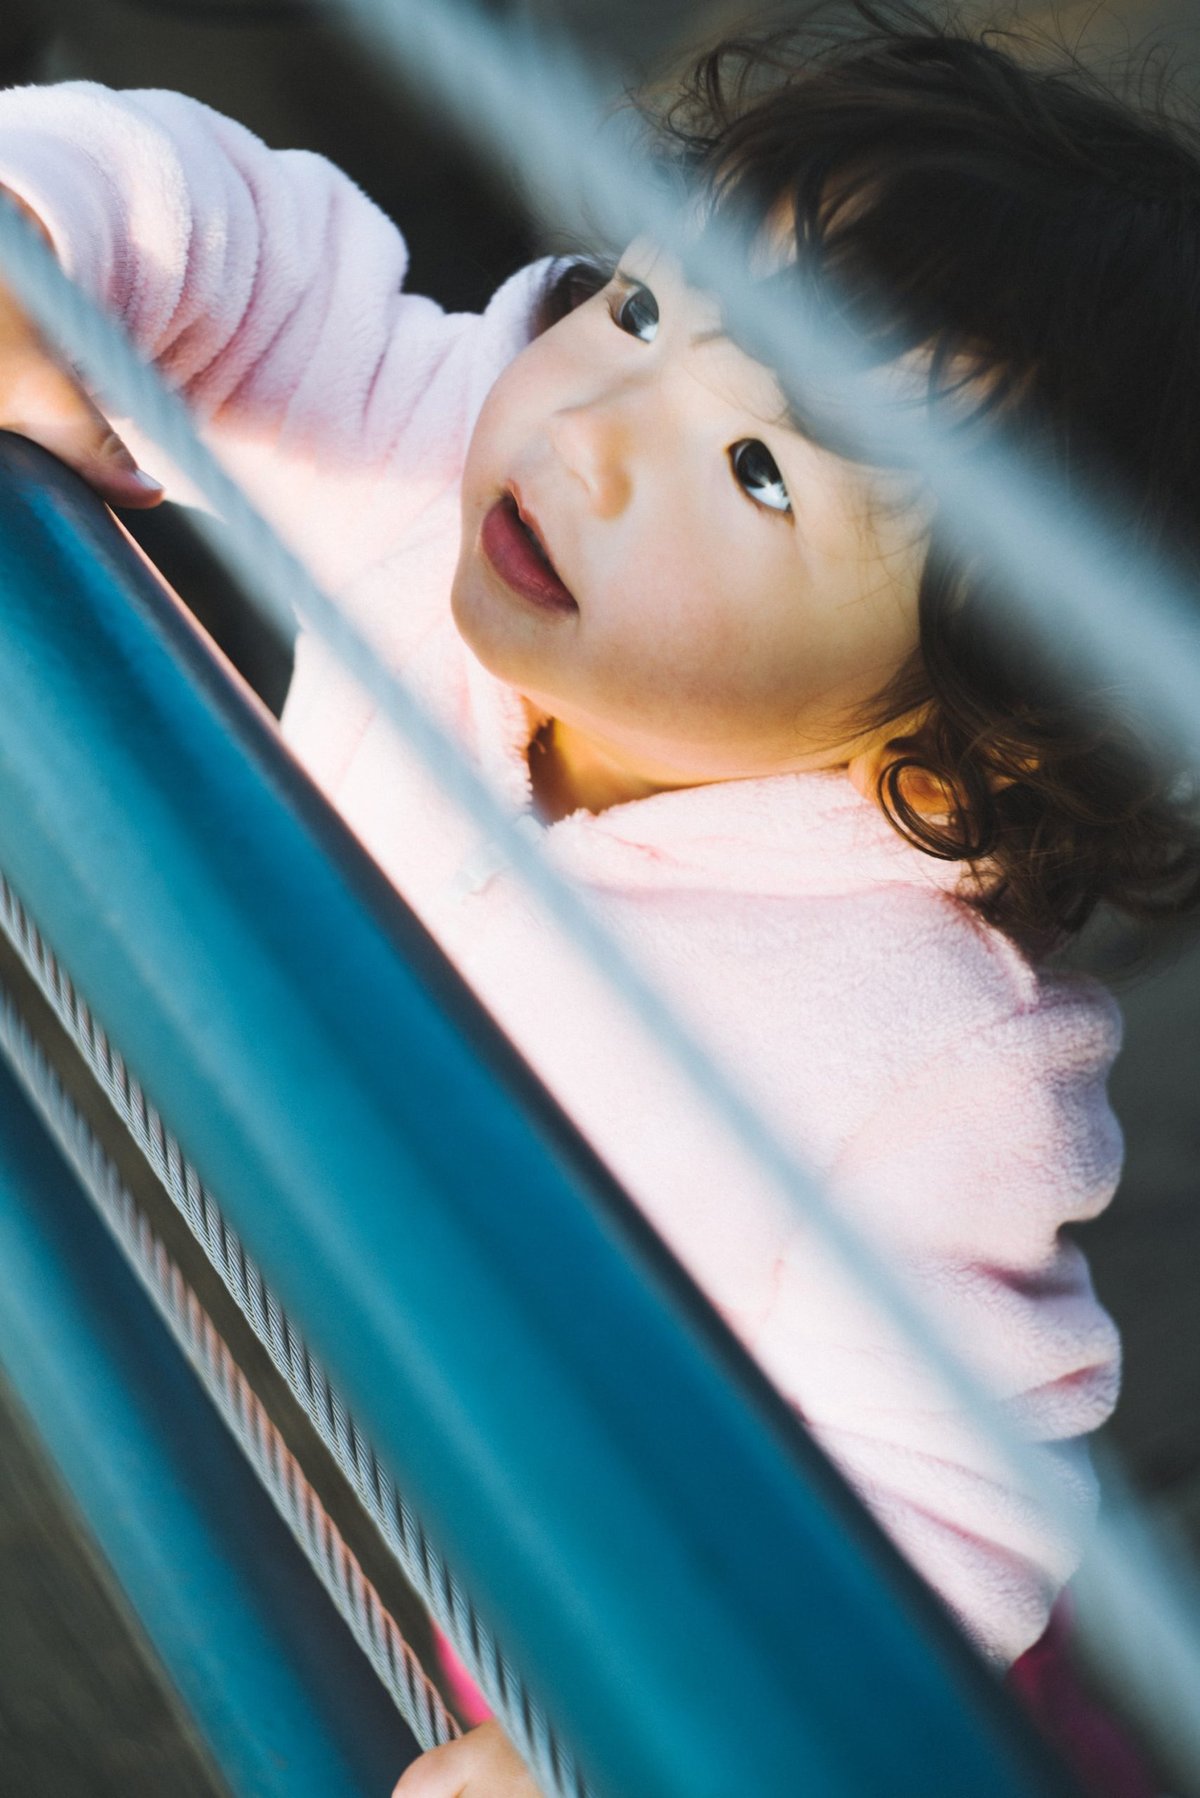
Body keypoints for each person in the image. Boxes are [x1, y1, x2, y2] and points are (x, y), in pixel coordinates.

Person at [0, 4, 1194, 1791]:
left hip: (643, 1644)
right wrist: (39, 238)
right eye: (645, 311)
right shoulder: (435, 470)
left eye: (760, 471)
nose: (598, 432)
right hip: (357, 1439)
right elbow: (239, 247)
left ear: (958, 743)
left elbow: (946, 1499)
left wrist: (614, 1746)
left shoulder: (931, 1053)